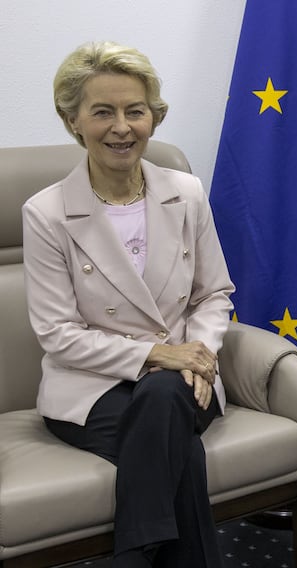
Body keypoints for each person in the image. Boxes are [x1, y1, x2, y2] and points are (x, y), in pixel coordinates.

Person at [22, 41, 235, 567]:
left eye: (135, 111)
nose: (122, 127)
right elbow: (58, 334)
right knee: (176, 442)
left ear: (154, 118)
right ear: (73, 121)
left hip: (187, 380)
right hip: (90, 393)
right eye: (103, 112)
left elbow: (215, 294)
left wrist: (200, 355)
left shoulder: (186, 193)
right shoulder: (46, 213)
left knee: (164, 398)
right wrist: (163, 355)